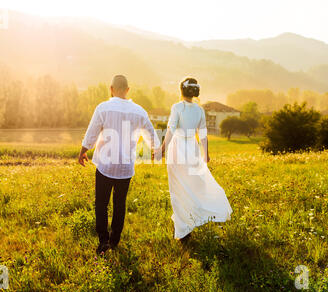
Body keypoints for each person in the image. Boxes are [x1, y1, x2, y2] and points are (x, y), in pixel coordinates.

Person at [79, 75, 160, 254]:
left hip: (105, 166)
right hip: (125, 167)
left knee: (101, 203)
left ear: (111, 88)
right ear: (128, 89)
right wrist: (155, 150)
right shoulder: (139, 111)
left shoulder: (103, 108)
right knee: (119, 203)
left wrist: (83, 150)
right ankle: (114, 240)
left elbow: (92, 131)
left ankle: (103, 240)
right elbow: (151, 135)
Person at [159, 77, 232, 240]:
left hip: (177, 148)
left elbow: (170, 130)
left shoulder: (177, 107)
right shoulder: (199, 110)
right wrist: (206, 153)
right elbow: (203, 134)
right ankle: (188, 219)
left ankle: (183, 227)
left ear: (181, 90)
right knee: (192, 184)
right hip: (192, 149)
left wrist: (162, 149)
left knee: (177, 187)